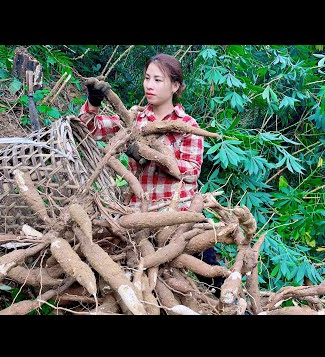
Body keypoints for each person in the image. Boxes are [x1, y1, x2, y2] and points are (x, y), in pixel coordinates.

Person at [78, 53, 223, 294]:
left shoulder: (188, 125)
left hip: (179, 215)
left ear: (175, 86)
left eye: (158, 80)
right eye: (147, 78)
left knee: (210, 271)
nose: (149, 85)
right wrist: (93, 102)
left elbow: (190, 172)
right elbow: (89, 129)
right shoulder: (132, 118)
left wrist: (153, 155)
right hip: (138, 215)